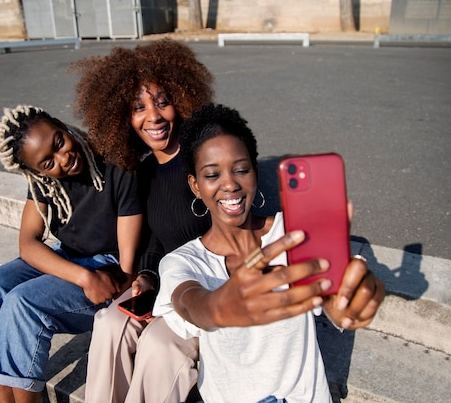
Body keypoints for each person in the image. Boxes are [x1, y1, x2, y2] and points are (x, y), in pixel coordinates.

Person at [153, 103, 386, 403]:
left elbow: (335, 291)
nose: (230, 184)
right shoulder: (182, 261)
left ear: (255, 172)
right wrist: (217, 307)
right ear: (195, 186)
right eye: (212, 175)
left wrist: (351, 298)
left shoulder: (293, 234)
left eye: (241, 169)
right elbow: (188, 302)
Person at [0, 105, 143, 403]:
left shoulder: (115, 164)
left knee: (22, 303)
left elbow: (127, 268)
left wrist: (95, 278)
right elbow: (28, 243)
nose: (63, 159)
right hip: (75, 261)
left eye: (59, 143)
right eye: (47, 163)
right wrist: (82, 276)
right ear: (35, 171)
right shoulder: (45, 183)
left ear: (62, 126)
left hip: (110, 265)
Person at [70, 39, 214, 402]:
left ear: (181, 100)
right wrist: (147, 277)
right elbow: (155, 239)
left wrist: (173, 292)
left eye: (163, 101)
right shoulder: (145, 171)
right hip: (163, 288)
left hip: (207, 289)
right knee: (109, 322)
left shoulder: (206, 158)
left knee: (156, 345)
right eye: (138, 107)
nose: (153, 116)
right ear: (123, 117)